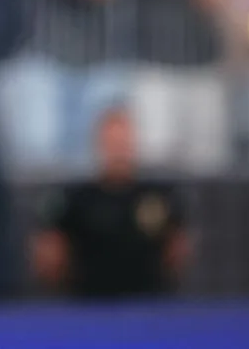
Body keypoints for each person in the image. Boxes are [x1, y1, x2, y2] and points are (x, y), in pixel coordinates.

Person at [31, 106, 189, 299]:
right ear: (99, 144)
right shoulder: (76, 200)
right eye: (112, 142)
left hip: (147, 304)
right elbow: (49, 254)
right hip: (89, 305)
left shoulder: (157, 198)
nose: (118, 151)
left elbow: (177, 251)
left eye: (123, 142)